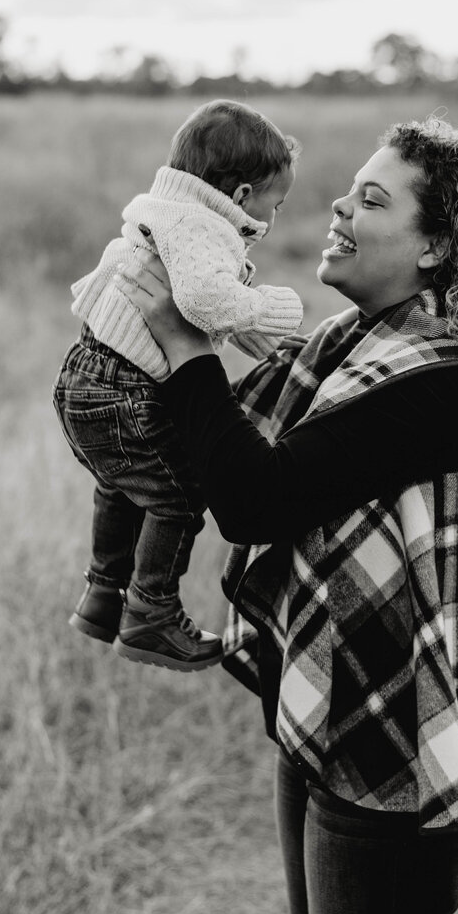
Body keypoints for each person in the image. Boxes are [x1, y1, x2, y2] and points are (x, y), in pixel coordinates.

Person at [115, 116, 458, 914]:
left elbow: (256, 499)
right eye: (350, 189)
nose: (340, 205)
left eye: (373, 200)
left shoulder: (448, 380)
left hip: (402, 745)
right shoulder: (353, 344)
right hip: (328, 709)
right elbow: (228, 447)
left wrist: (190, 351)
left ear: (437, 249)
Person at [52, 100, 303, 672]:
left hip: (88, 377)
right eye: (275, 203)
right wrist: (277, 306)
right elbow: (205, 301)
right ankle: (151, 615)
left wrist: (261, 338)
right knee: (180, 496)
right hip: (123, 389)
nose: (273, 217)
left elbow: (202, 313)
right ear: (239, 195)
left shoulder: (171, 212)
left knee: (121, 485)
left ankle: (104, 595)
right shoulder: (201, 226)